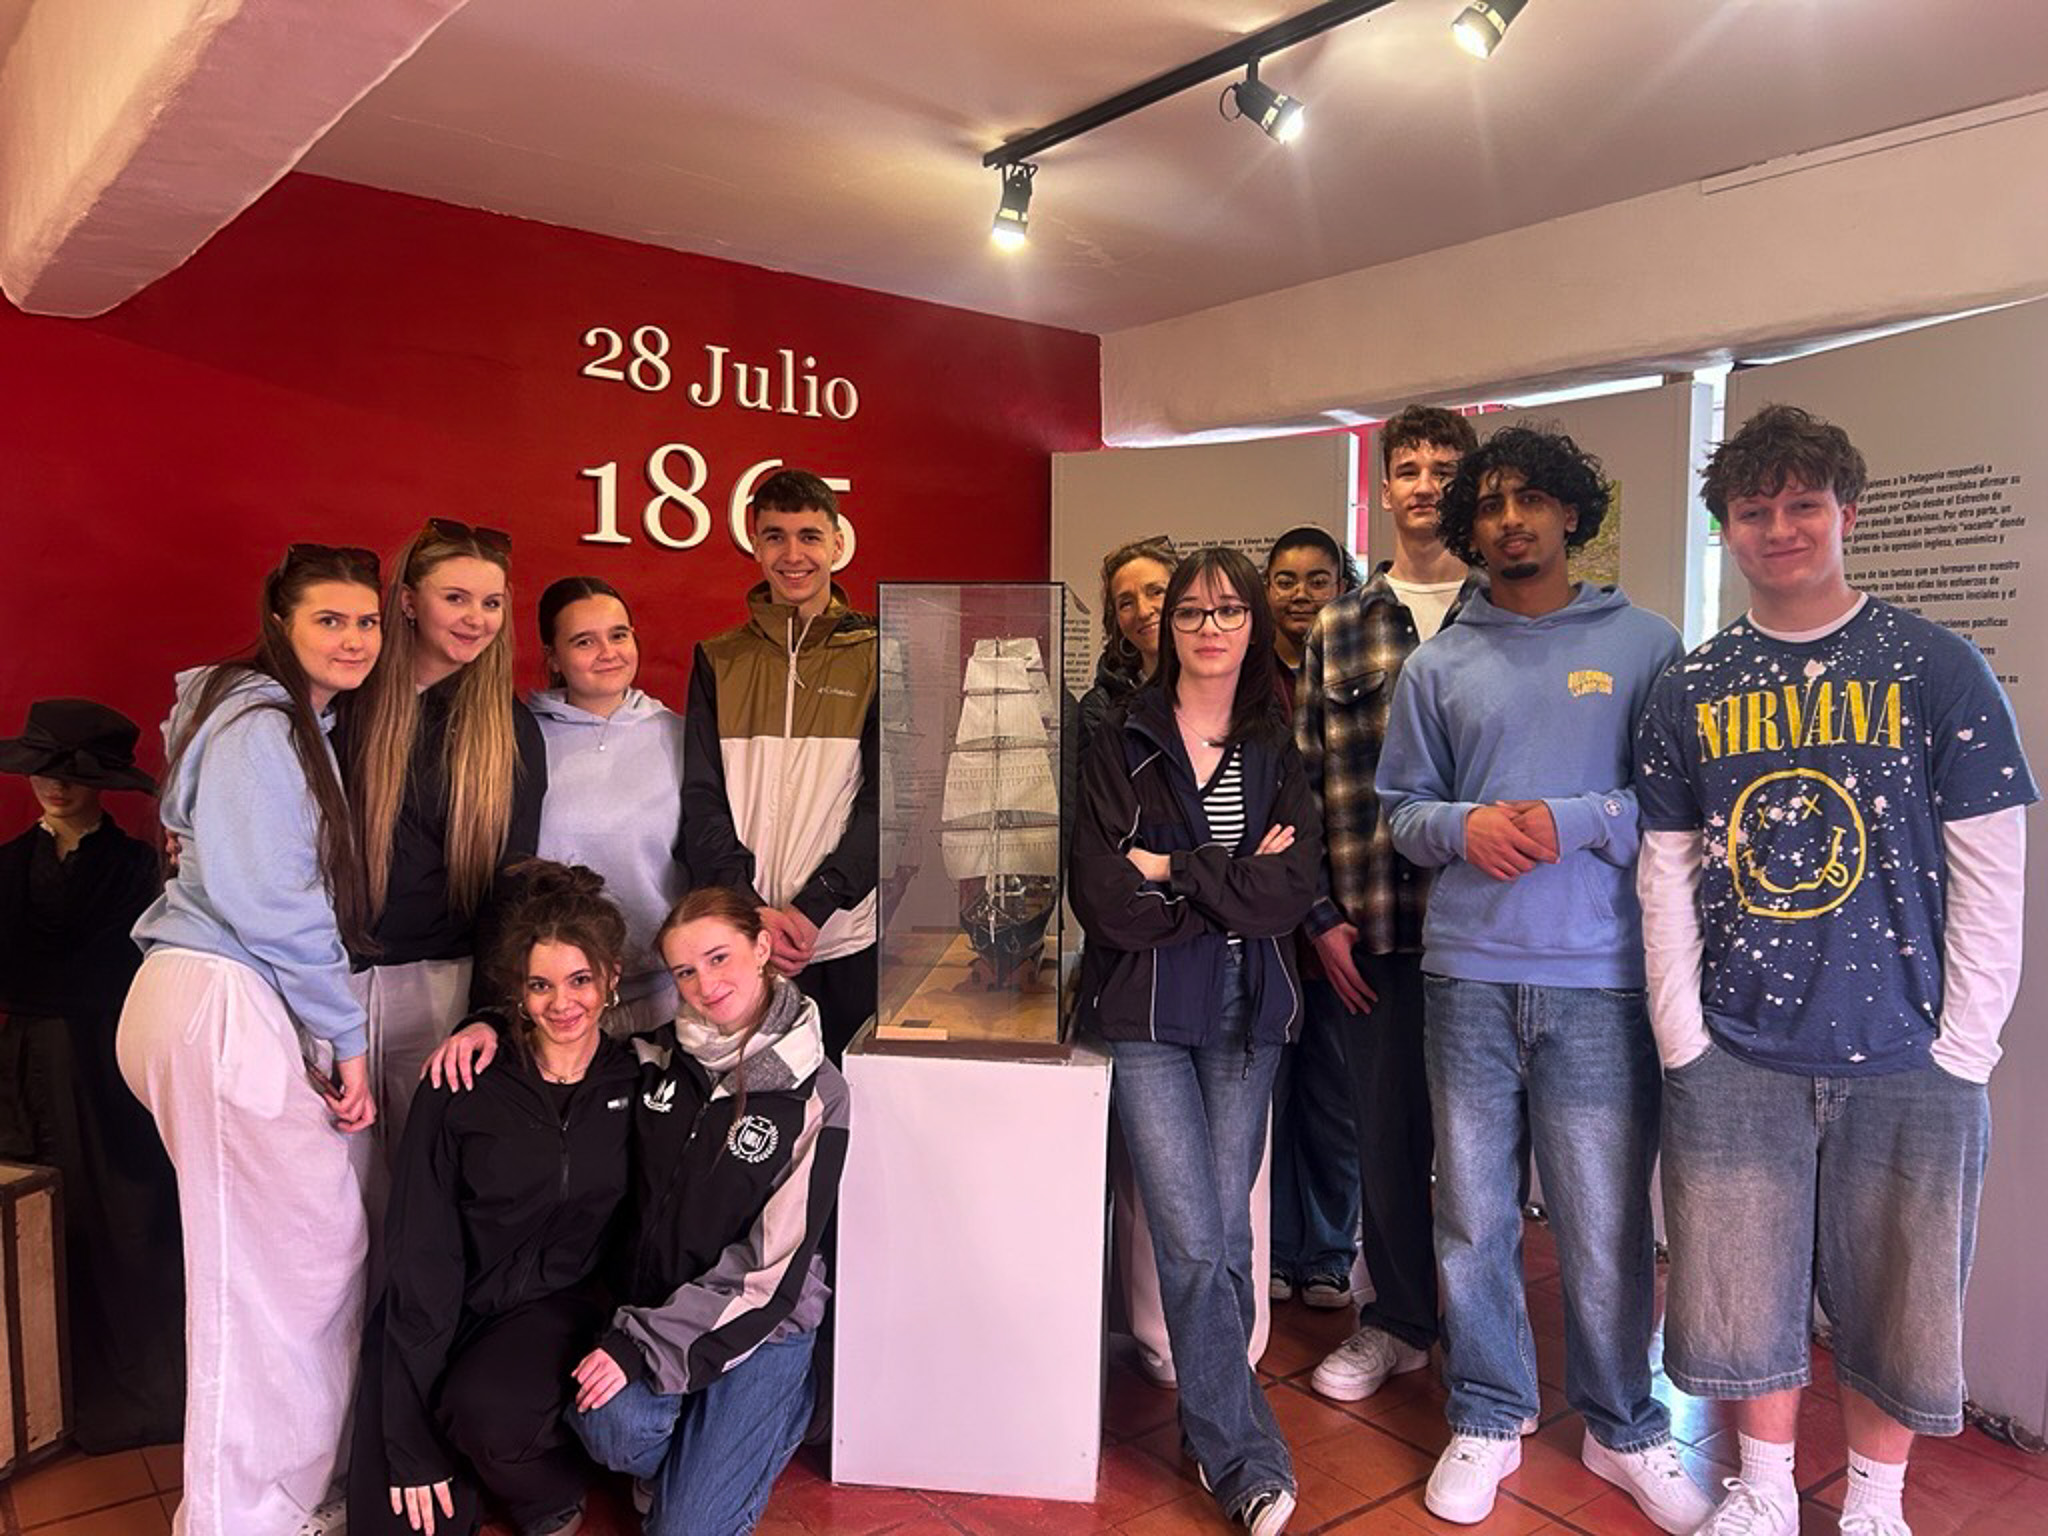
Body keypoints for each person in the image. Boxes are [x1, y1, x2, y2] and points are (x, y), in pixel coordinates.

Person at [1636, 405, 2037, 1536]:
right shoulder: (1691, 687)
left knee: (1899, 1300)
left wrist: (1964, 1044)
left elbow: (1992, 868)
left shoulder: (1935, 667)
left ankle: (1873, 1503)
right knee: (1737, 1293)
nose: (1779, 528)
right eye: (1752, 510)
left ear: (1843, 512)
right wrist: (1683, 1037)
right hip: (1737, 1052)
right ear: (1724, 527)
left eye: (1801, 504)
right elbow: (1663, 875)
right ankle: (1760, 1487)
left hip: (1908, 1053)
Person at [1375, 427, 1710, 1530]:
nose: (1509, 519)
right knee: (1470, 1215)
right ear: (1466, 524)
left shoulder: (1647, 643)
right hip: (1465, 979)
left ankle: (1623, 1426)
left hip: (1602, 984)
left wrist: (1573, 820)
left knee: (1604, 1221)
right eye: (1490, 503)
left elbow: (1681, 807)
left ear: (1574, 513)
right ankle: (1486, 1409)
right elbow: (1401, 815)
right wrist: (1462, 828)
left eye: (1532, 500)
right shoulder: (1437, 666)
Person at [429, 885, 850, 1536]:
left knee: (683, 1529)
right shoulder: (655, 1055)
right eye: (685, 970)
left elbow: (770, 1276)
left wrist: (642, 1349)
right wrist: (483, 1022)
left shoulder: (818, 1092)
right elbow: (563, 1026)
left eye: (719, 958)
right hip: (661, 1304)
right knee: (604, 1422)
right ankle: (706, 1452)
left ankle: (780, 1410)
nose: (705, 985)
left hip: (763, 1326)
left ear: (763, 948)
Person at [117, 543, 384, 1536]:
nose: (351, 638)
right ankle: (240, 1521)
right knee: (267, 1278)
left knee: (299, 1259)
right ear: (281, 621)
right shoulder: (260, 724)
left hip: (207, 996)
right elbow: (274, 897)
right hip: (218, 996)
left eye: (363, 620)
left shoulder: (260, 718)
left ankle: (269, 1505)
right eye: (329, 619)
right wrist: (344, 1035)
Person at [1072, 546, 1321, 1536]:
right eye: (1190, 612)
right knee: (1190, 1233)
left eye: (1227, 611)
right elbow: (1104, 900)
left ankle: (1210, 1414)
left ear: (1251, 627)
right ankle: (1243, 1456)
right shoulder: (1117, 737)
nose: (1209, 627)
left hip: (1247, 1018)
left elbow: (1287, 896)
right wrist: (1223, 885)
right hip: (1142, 1016)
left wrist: (1171, 867)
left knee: (1221, 1231)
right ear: (1163, 628)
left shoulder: (1275, 745)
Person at [350, 861, 636, 1536]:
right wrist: (409, 1442)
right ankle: (466, 1454)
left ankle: (549, 1493)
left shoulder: (641, 1082)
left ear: (612, 979)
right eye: (540, 985)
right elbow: (419, 1252)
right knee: (398, 1514)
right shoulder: (461, 1081)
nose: (561, 1004)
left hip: (552, 1312)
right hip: (445, 1307)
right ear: (516, 990)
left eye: (580, 981)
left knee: (485, 1417)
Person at [1298, 405, 1483, 1400]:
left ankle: (1487, 1347)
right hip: (1372, 930)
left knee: (1483, 1150)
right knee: (1385, 1136)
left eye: (1441, 467)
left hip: (1493, 937)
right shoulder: (1338, 626)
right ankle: (1401, 1320)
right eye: (1404, 467)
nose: (1421, 484)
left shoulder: (1508, 614)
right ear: (1381, 487)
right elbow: (1302, 782)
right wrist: (1319, 919)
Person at [0, 699, 182, 1451]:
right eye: (46, 769)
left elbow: (126, 970)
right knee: (36, 1219)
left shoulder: (141, 868)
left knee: (126, 1218)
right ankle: (42, 1402)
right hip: (19, 1068)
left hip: (109, 1066)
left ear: (104, 782)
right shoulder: (7, 863)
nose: (55, 785)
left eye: (74, 773)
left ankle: (142, 1396)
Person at [345, 518, 548, 1155]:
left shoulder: (507, 729)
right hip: (330, 980)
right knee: (327, 1186)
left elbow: (510, 883)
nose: (475, 619)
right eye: (454, 598)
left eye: (490, 603)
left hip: (440, 985)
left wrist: (487, 1011)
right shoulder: (346, 699)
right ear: (408, 600)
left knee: (423, 1174)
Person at [682, 469, 877, 1061]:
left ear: (837, 543)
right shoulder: (718, 657)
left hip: (841, 937)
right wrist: (749, 913)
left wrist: (815, 907)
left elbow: (890, 803)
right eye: (775, 536)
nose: (793, 555)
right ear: (754, 542)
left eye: (809, 536)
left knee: (848, 1111)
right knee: (750, 1122)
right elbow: (701, 796)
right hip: (741, 941)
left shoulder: (877, 651)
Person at [1259, 525, 1362, 1310]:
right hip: (1265, 924)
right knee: (1271, 1096)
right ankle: (1271, 1245)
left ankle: (1323, 1251)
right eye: (1286, 580)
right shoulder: (1247, 675)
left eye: (1317, 579)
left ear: (1343, 584)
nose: (1300, 595)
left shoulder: (1363, 663)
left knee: (1332, 1096)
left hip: (1337, 919)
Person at [530, 576, 688, 1034]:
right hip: (560, 997)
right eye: (584, 641)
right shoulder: (518, 738)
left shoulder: (679, 735)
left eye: (619, 635)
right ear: (553, 658)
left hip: (662, 988)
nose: (608, 652)